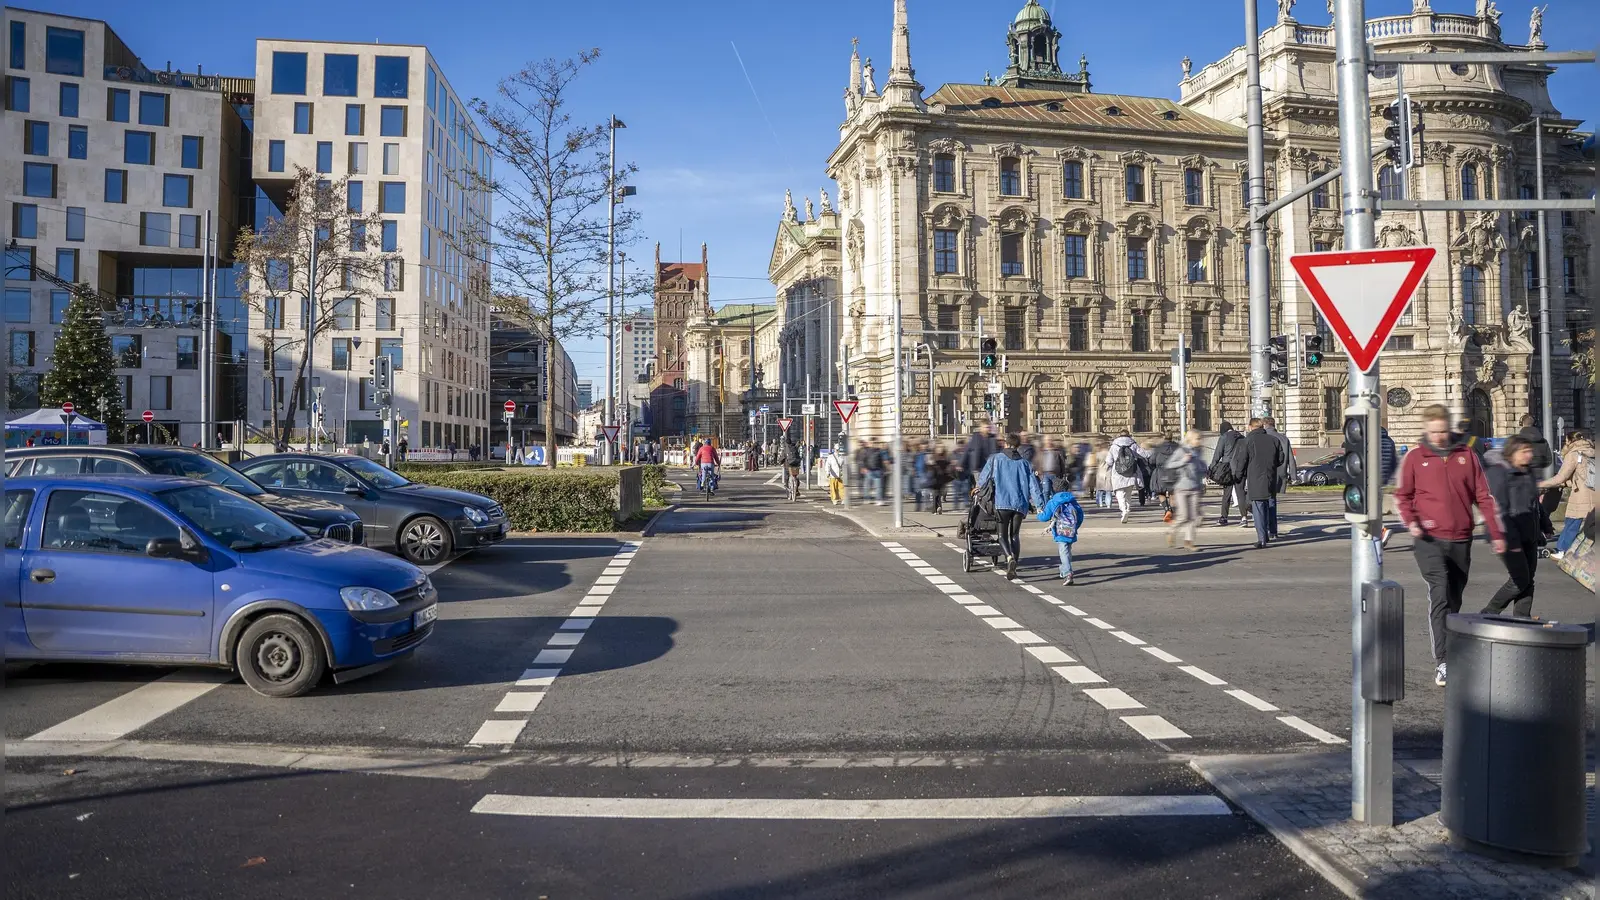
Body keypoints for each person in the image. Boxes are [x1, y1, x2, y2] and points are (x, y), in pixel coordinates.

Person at [1396, 404, 1505, 687]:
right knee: (1440, 592)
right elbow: (1403, 496)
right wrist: (1412, 522)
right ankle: (1443, 661)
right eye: (1433, 432)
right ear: (1426, 430)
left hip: (1460, 537)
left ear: (1449, 428)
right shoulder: (1415, 457)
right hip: (1428, 539)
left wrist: (1496, 533)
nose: (1439, 436)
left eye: (1443, 431)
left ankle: (1453, 650)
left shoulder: (1466, 455)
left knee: (1454, 599)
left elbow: (1483, 496)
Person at [1481, 435, 1554, 618]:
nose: (1529, 455)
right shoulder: (1499, 473)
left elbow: (1534, 503)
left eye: (1530, 451)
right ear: (1512, 453)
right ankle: (1488, 613)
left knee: (1529, 580)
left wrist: (1546, 525)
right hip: (1508, 536)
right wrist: (1505, 538)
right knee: (1519, 580)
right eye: (1524, 451)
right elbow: (1497, 509)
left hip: (1530, 533)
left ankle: (1522, 619)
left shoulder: (1528, 472)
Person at [978, 433, 1044, 578]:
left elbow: (984, 478)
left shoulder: (995, 460)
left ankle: (1009, 558)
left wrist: (977, 489)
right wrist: (1039, 504)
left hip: (1001, 503)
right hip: (1020, 504)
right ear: (1018, 446)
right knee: (1015, 535)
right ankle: (1014, 565)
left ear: (1006, 444)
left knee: (1002, 535)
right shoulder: (1025, 463)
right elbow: (1034, 486)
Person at [1540, 429, 1594, 558]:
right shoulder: (1592, 451)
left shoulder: (1574, 454)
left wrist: (1540, 484)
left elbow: (1560, 478)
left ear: (1570, 441)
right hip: (1594, 493)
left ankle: (1562, 550)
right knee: (1590, 524)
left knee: (1572, 522)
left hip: (1581, 495)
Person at [1233, 418, 1284, 550]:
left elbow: (1242, 461)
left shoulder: (1247, 441)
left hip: (1256, 478)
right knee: (1269, 505)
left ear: (1250, 427)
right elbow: (1280, 459)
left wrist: (1238, 476)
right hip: (1271, 477)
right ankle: (1269, 532)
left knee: (1259, 508)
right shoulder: (1274, 440)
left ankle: (1262, 539)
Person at [1165, 430, 1207, 551]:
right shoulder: (1181, 450)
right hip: (1181, 488)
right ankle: (1171, 531)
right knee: (1183, 516)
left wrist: (1204, 469)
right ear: (1190, 439)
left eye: (1200, 439)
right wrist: (1183, 461)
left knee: (1193, 517)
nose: (1199, 441)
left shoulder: (1199, 452)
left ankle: (1188, 541)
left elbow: (1200, 467)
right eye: (1197, 439)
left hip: (1195, 487)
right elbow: (1169, 465)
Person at [1037, 481, 1086, 585]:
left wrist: (1039, 514)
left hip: (1060, 532)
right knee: (1067, 551)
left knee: (1063, 552)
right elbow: (1080, 516)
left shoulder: (1053, 501)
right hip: (1071, 531)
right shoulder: (1073, 500)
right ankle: (1063, 569)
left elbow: (1045, 517)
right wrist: (1075, 527)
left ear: (1054, 489)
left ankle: (1068, 573)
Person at [1105, 430, 1150, 523]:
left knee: (1119, 493)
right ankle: (1128, 509)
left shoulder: (1114, 446)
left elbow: (1109, 461)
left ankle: (1123, 510)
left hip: (1118, 473)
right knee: (1128, 494)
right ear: (1129, 436)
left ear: (1118, 436)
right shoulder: (1133, 444)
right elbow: (1144, 454)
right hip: (1131, 471)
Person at [1262, 417, 1296, 539]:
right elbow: (1291, 459)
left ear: (1265, 425)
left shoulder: (1263, 437)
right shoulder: (1284, 438)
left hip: (1265, 473)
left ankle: (1265, 529)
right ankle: (1273, 531)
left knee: (1264, 502)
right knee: (1272, 501)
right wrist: (1293, 475)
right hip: (1280, 474)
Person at [1210, 421, 1249, 527]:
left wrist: (1211, 467)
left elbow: (1217, 454)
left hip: (1227, 469)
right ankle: (1244, 517)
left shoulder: (1224, 437)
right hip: (1241, 468)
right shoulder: (1241, 437)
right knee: (1240, 493)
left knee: (1227, 494)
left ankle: (1224, 517)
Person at [930, 447, 952, 514]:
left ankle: (935, 509)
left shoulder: (936, 459)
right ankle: (938, 508)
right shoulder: (945, 459)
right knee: (937, 494)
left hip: (937, 479)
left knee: (936, 494)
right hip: (940, 479)